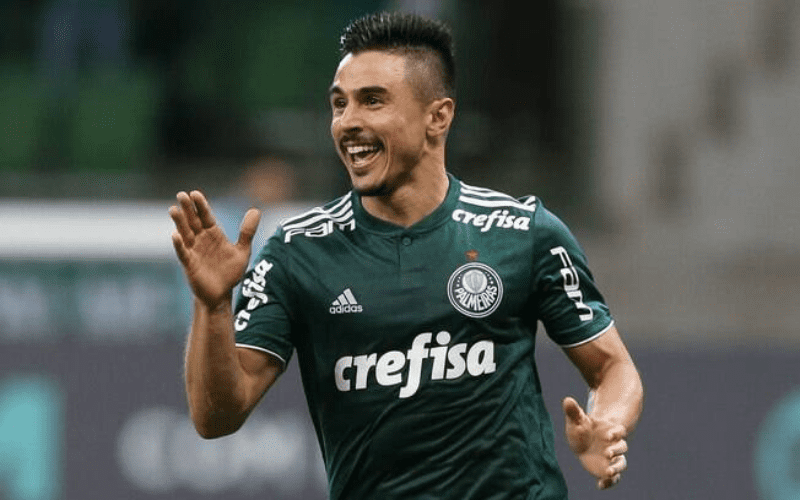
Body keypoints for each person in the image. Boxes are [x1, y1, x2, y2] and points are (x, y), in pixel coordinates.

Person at [169, 12, 643, 499]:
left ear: (438, 117)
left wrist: (608, 422)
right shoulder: (297, 252)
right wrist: (212, 305)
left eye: (372, 101)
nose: (348, 122)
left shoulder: (524, 232)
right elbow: (215, 418)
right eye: (339, 104)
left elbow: (612, 368)